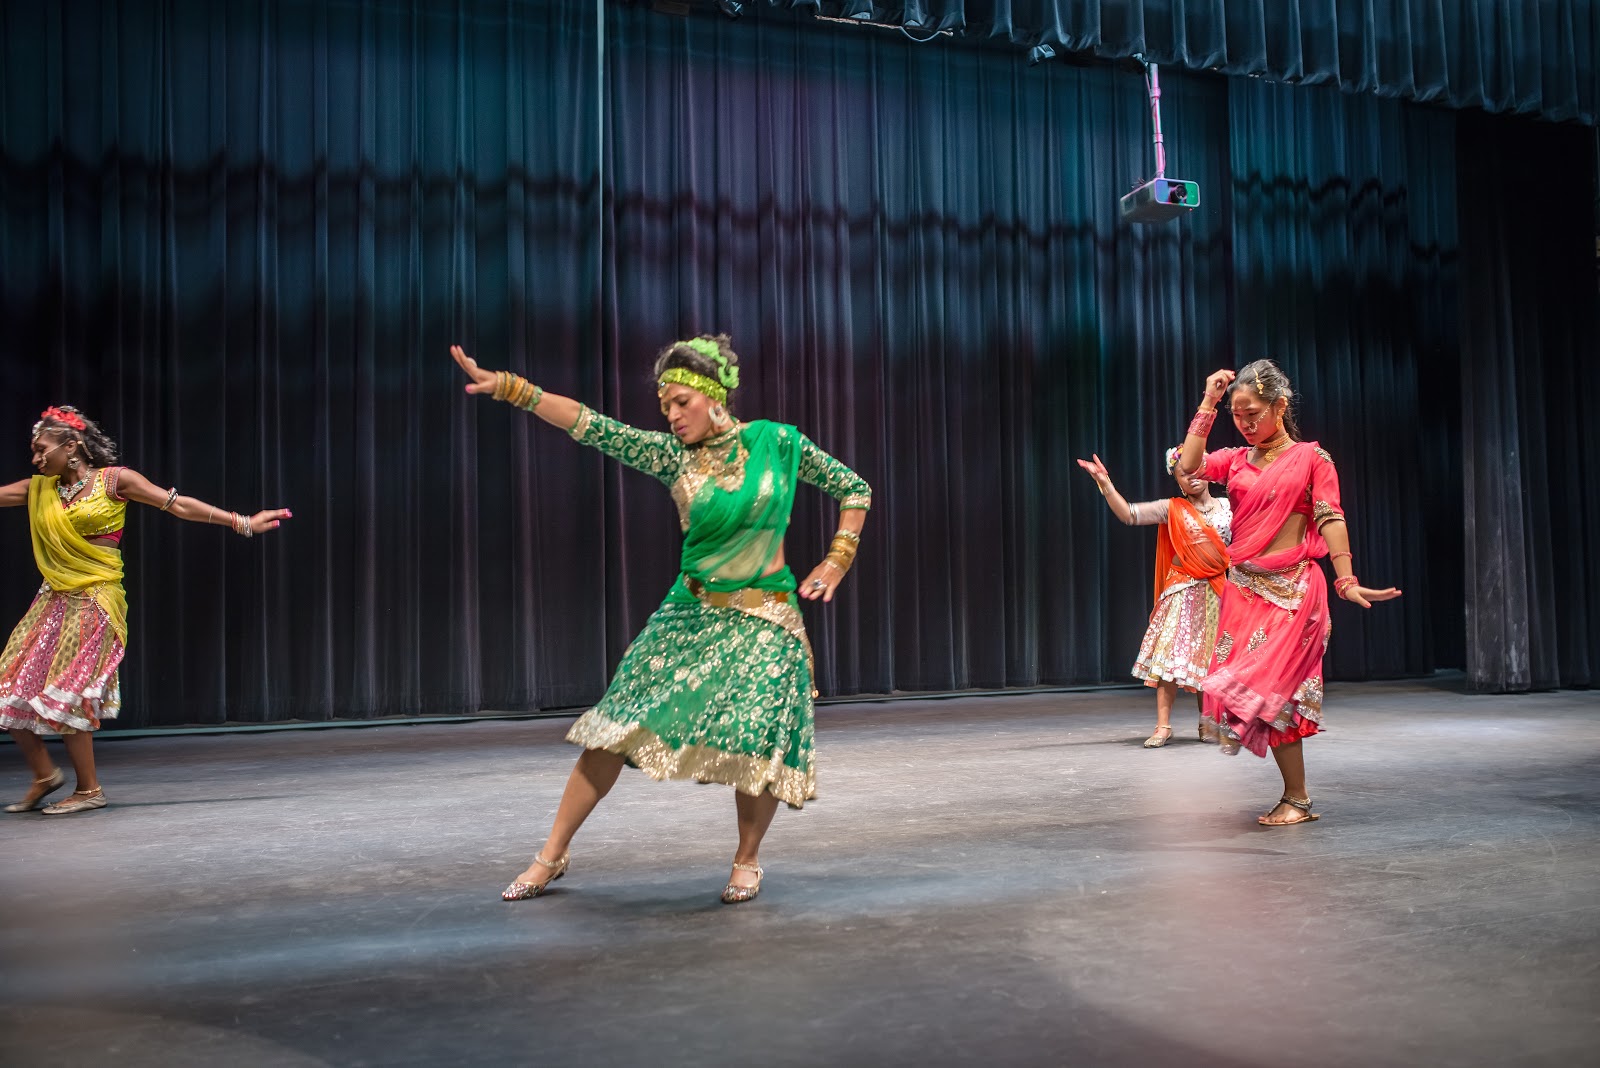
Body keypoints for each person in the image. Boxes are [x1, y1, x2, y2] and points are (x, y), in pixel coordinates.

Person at [450, 336, 871, 903]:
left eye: (680, 403)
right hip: (689, 614)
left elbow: (855, 488)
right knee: (611, 732)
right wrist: (511, 389)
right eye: (664, 407)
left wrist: (836, 559)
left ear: (713, 397)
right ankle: (551, 855)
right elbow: (591, 424)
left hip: (768, 617)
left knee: (760, 737)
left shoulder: (779, 443)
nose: (671, 416)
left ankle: (747, 859)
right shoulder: (672, 457)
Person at [0, 406, 290, 814]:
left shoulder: (115, 481)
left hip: (94, 600)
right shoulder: (40, 489)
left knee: (69, 690)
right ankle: (44, 775)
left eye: (41, 450)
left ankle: (89, 789)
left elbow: (178, 505)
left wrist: (242, 522)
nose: (35, 459)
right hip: (52, 599)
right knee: (10, 684)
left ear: (71, 445)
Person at [1176, 361, 1400, 825]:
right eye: (1238, 416)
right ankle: (1295, 798)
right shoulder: (1236, 459)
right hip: (1245, 591)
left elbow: (1330, 517)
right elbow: (1187, 465)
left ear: (1280, 406)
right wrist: (1208, 403)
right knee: (1262, 696)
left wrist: (1346, 580)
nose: (1245, 423)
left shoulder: (1312, 459)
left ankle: (1296, 800)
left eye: (1252, 413)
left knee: (1272, 692)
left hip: (1295, 591)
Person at [1077, 446, 1232, 747]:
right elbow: (1130, 514)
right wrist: (1105, 484)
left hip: (1217, 592)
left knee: (1209, 658)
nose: (1191, 477)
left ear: (1209, 471)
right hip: (1182, 590)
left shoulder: (1230, 507)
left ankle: (1207, 722)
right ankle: (1163, 726)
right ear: (1176, 480)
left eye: (1196, 469)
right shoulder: (1171, 508)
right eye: (1182, 474)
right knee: (1169, 658)